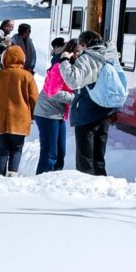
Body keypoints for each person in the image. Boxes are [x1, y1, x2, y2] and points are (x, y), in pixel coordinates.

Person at [0, 41, 36, 177]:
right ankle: (12, 173)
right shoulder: (27, 77)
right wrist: (32, 115)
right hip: (20, 119)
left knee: (1, 151)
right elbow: (34, 98)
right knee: (17, 148)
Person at [66, 28, 114, 176]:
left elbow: (73, 81)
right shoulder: (110, 56)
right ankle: (101, 187)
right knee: (99, 158)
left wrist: (64, 62)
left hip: (87, 111)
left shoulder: (87, 58)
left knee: (85, 159)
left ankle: (86, 193)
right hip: (104, 111)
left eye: (79, 45)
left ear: (85, 44)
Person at [34, 39, 74, 174]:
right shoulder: (58, 66)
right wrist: (76, 98)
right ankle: (41, 181)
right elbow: (53, 92)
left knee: (60, 152)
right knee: (50, 153)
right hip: (47, 113)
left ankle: (54, 180)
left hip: (58, 113)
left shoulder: (71, 68)